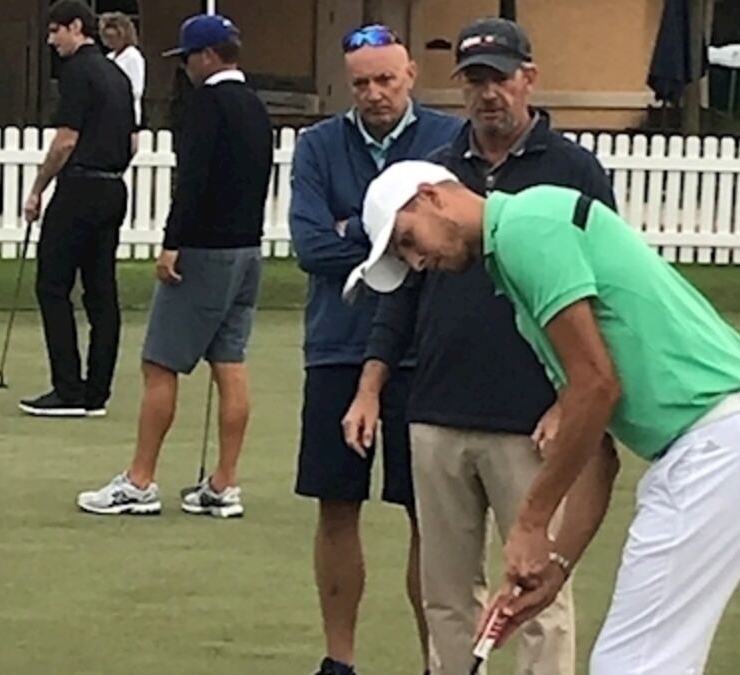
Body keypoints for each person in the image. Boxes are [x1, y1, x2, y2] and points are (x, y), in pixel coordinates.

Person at [347, 159, 740, 675]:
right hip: (723, 443)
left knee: (631, 664)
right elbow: (598, 452)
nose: (417, 261)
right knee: (651, 661)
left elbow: (597, 387)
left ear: (431, 196)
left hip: (717, 443)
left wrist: (531, 521)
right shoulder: (517, 263)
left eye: (407, 240)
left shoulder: (526, 229)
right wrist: (555, 566)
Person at [341, 18, 615, 675]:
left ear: (529, 79)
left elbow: (600, 292)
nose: (487, 93)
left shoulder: (574, 169)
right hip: (437, 407)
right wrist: (371, 385)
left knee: (536, 594)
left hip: (529, 419)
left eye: (499, 78)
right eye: (473, 81)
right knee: (445, 593)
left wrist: (567, 402)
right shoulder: (437, 173)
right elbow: (401, 291)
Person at [288, 24, 461, 675]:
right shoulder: (318, 146)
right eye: (361, 83)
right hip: (337, 344)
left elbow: (452, 242)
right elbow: (311, 247)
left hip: (423, 350)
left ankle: (436, 662)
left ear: (410, 73)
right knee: (336, 503)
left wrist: (354, 228)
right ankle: (339, 661)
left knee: (428, 515)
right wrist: (398, 236)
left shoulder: (448, 139)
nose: (374, 93)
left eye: (386, 79)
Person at [76, 13, 272, 518]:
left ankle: (140, 481)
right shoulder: (255, 105)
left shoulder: (207, 104)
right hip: (248, 249)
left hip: (204, 249)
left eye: (187, 58)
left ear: (207, 55)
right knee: (230, 363)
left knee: (160, 363)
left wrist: (172, 243)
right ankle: (224, 483)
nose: (184, 68)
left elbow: (194, 180)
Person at [21, 0, 136, 418]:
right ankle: (96, 392)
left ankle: (68, 388)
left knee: (52, 285)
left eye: (55, 31)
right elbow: (132, 142)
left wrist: (38, 189)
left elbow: (66, 141)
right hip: (113, 187)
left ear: (75, 27)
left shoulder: (77, 73)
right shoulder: (117, 75)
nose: (51, 40)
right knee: (101, 291)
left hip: (80, 188)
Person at [100, 11, 145, 128]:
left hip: (127, 114)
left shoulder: (133, 56)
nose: (109, 41)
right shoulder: (109, 57)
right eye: (107, 37)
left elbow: (137, 90)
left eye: (112, 37)